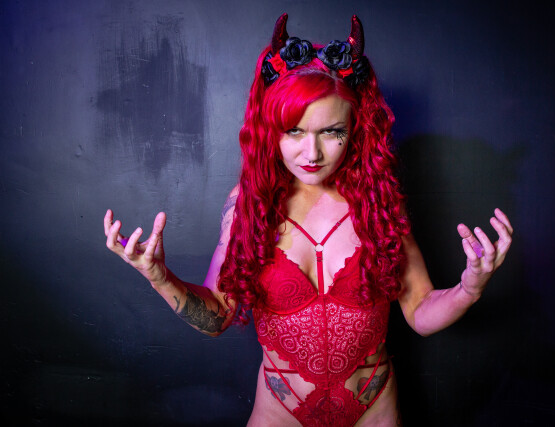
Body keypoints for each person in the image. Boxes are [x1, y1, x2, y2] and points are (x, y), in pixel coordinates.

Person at [104, 14, 513, 427]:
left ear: (355, 128)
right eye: (294, 131)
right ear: (271, 130)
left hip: (373, 413)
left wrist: (468, 289)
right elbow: (217, 317)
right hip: (280, 415)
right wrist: (160, 277)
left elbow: (420, 312)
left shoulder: (379, 204)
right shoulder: (248, 205)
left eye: (331, 132)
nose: (312, 153)